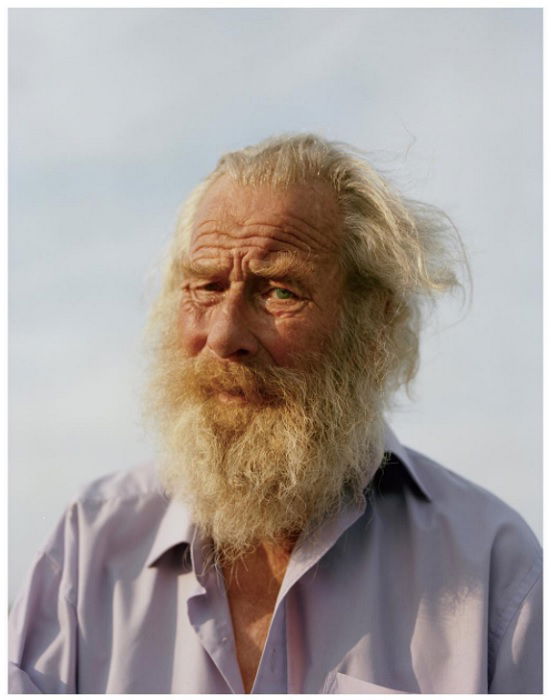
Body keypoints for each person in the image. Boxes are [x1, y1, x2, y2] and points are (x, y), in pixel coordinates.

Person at [9, 134, 542, 694]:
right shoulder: (88, 546)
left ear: (375, 327)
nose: (224, 336)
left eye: (280, 292)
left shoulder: (492, 567)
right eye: (207, 286)